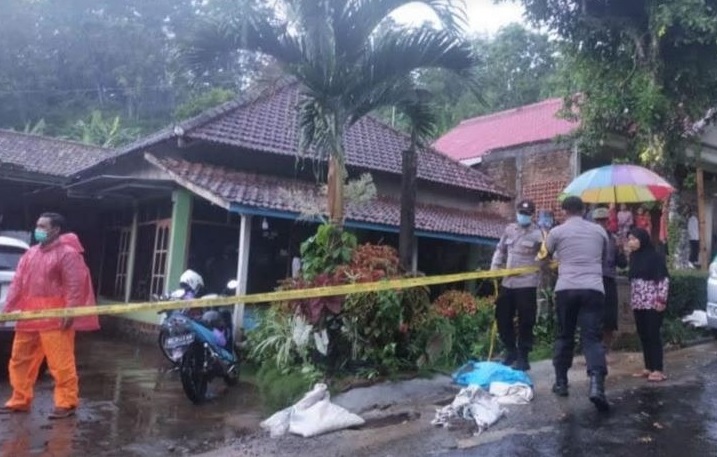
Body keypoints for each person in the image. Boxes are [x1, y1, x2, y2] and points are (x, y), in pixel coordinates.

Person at [0, 213, 99, 419]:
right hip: (29, 314)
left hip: (55, 314)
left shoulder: (68, 254)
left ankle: (66, 402)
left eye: (43, 226)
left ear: (56, 230)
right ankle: (20, 398)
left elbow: (74, 285)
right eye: (37, 225)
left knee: (60, 361)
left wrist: (69, 310)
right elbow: (18, 281)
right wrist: (7, 308)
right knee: (20, 358)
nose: (39, 229)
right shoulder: (30, 254)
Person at [545, 196, 610, 411]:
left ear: (564, 211)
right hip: (593, 289)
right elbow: (603, 259)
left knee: (564, 335)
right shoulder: (599, 231)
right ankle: (596, 386)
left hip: (566, 289)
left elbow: (545, 257)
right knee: (592, 338)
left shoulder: (557, 232)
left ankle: (561, 383)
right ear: (584, 210)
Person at [490, 199, 544, 371]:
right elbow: (500, 250)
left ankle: (523, 356)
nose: (523, 216)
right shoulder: (509, 230)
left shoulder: (539, 234)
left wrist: (540, 265)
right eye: (521, 213)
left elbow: (547, 256)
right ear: (517, 212)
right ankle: (511, 350)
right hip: (508, 282)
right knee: (502, 317)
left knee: (526, 320)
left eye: (527, 214)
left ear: (532, 215)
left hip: (527, 283)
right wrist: (494, 267)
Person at [626, 228, 670, 383]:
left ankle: (658, 369)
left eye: (633, 239)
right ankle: (648, 367)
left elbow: (663, 280)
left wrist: (661, 300)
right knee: (643, 334)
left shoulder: (655, 257)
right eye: (629, 239)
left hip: (652, 302)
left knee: (653, 334)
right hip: (638, 302)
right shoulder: (634, 257)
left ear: (642, 239)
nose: (630, 242)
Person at [592, 207, 627, 362]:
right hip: (593, 280)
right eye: (598, 221)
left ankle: (606, 347)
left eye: (603, 221)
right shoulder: (589, 238)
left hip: (609, 279)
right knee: (593, 315)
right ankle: (593, 347)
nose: (601, 224)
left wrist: (621, 250)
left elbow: (623, 264)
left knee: (609, 315)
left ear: (608, 222)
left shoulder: (613, 239)